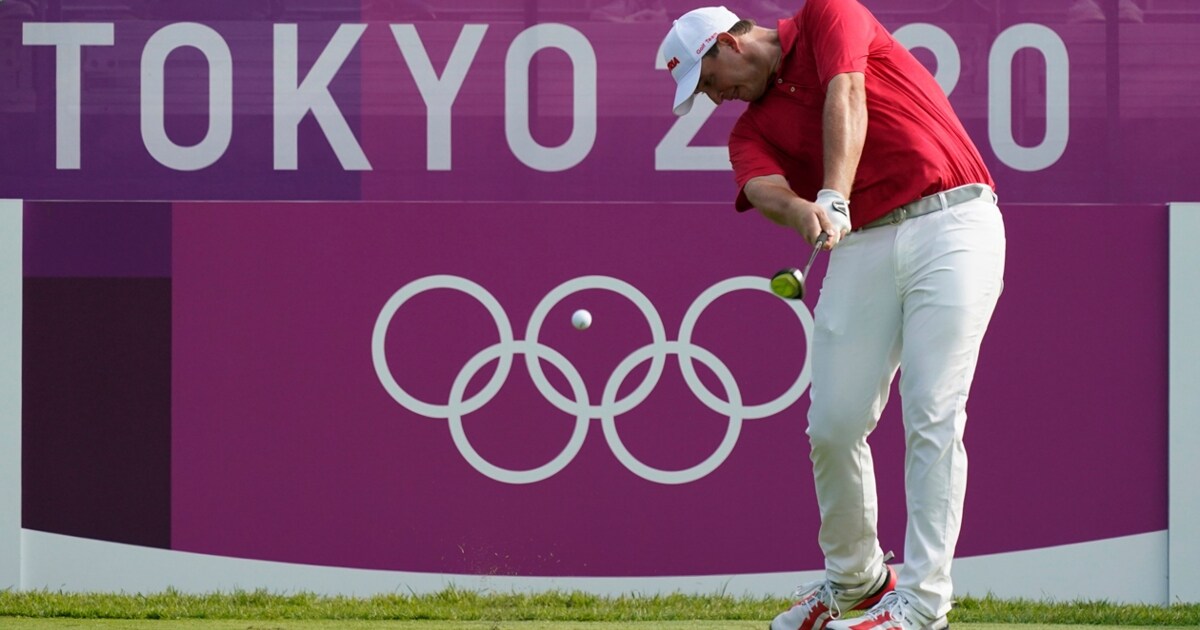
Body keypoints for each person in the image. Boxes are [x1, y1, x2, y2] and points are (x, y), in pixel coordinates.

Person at [660, 2, 1006, 629]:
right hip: (862, 240)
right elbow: (762, 186)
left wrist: (832, 195)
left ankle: (924, 606)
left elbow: (847, 90)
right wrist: (800, 211)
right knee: (835, 425)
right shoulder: (749, 130)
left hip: (953, 220)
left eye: (710, 82)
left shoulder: (827, 15)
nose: (717, 98)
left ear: (726, 46)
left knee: (932, 412)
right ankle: (857, 584)